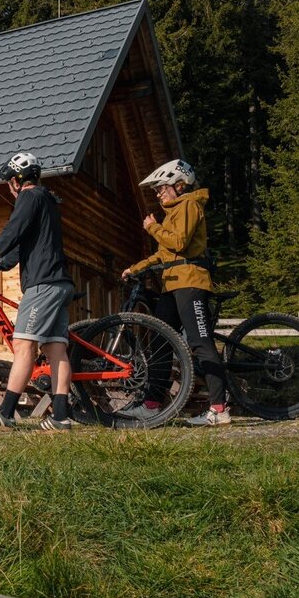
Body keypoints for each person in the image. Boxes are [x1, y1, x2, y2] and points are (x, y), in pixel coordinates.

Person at [0, 151, 76, 431]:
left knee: (24, 345)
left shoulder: (29, 197)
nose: (9, 188)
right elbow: (23, 244)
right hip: (60, 283)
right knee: (56, 349)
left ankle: (5, 413)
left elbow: (12, 232)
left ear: (16, 180)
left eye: (8, 182)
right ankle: (60, 417)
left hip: (42, 284)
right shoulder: (47, 200)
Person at [121, 159, 230, 426]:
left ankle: (219, 409)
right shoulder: (174, 212)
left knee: (200, 343)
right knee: (159, 341)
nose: (158, 194)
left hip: (190, 282)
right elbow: (164, 254)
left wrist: (152, 227)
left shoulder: (190, 205)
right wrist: (136, 268)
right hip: (171, 285)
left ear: (179, 185)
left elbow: (178, 242)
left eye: (161, 188)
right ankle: (152, 405)